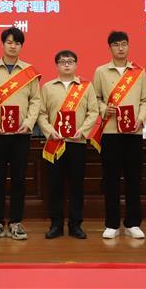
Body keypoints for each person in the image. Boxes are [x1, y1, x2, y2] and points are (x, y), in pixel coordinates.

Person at [0, 27, 41, 241]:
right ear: (2, 44)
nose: (13, 46)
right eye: (9, 42)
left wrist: (29, 123)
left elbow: (36, 101)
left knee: (19, 180)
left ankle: (15, 222)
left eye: (17, 43)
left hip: (21, 135)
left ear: (22, 46)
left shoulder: (29, 71)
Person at [91, 30, 146, 239]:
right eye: (116, 44)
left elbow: (145, 101)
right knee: (111, 179)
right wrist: (103, 109)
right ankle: (112, 224)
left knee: (134, 178)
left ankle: (133, 223)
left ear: (128, 46)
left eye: (124, 44)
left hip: (134, 132)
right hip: (110, 132)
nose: (120, 48)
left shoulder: (139, 72)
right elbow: (95, 98)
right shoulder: (101, 71)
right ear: (110, 48)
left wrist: (140, 119)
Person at [38, 50, 99, 239]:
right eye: (63, 61)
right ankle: (56, 225)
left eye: (70, 61)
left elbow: (93, 112)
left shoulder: (86, 87)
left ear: (76, 64)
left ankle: (76, 225)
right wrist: (50, 131)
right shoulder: (47, 87)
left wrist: (83, 130)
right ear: (56, 65)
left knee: (76, 186)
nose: (67, 64)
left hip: (77, 143)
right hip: (55, 143)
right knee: (55, 185)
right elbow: (41, 114)